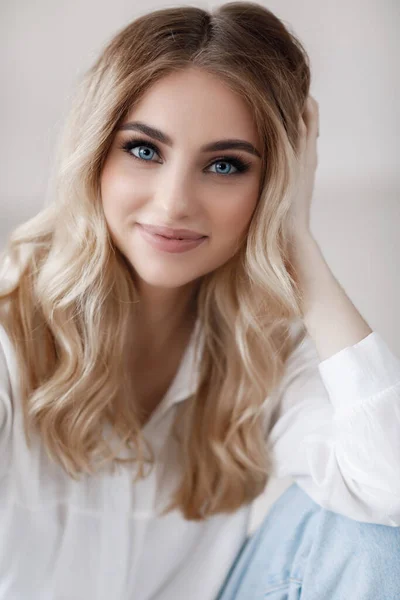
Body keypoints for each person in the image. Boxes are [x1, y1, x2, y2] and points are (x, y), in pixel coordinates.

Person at [0, 2, 399, 599]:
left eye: (224, 164)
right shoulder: (11, 327)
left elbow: (390, 488)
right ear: (95, 157)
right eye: (143, 150)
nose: (174, 203)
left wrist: (299, 247)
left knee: (372, 536)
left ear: (271, 187)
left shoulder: (264, 344)